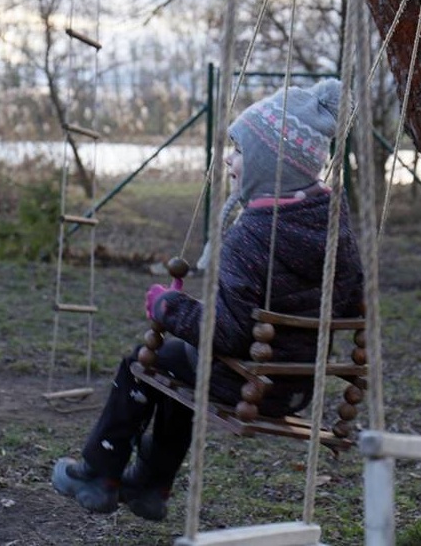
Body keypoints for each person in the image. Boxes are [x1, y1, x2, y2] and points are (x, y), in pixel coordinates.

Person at [52, 78, 364, 521]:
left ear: (267, 163)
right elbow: (353, 302)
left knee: (143, 363)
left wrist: (167, 306)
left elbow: (228, 334)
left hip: (249, 382)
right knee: (180, 366)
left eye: (240, 151)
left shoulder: (251, 235)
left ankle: (99, 473)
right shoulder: (333, 227)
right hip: (295, 387)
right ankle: (148, 486)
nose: (231, 161)